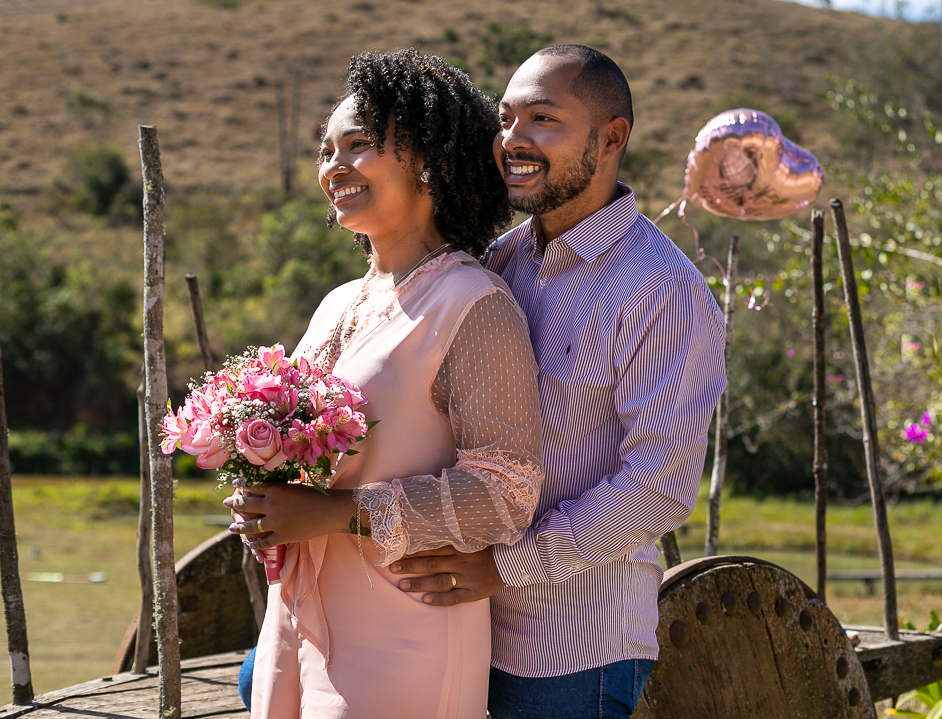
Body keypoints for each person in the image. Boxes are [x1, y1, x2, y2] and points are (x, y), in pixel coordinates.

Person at [391, 45, 727, 719]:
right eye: (506, 119)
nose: (514, 140)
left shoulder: (661, 288)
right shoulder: (501, 261)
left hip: (574, 652)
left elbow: (657, 488)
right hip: (463, 627)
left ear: (611, 138)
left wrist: (506, 566)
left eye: (543, 119)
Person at [225, 49, 544, 719]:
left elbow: (506, 492)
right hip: (298, 616)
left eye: (358, 145)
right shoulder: (336, 303)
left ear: (427, 159)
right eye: (326, 151)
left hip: (406, 628)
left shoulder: (475, 304)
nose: (333, 167)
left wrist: (335, 513)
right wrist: (262, 496)